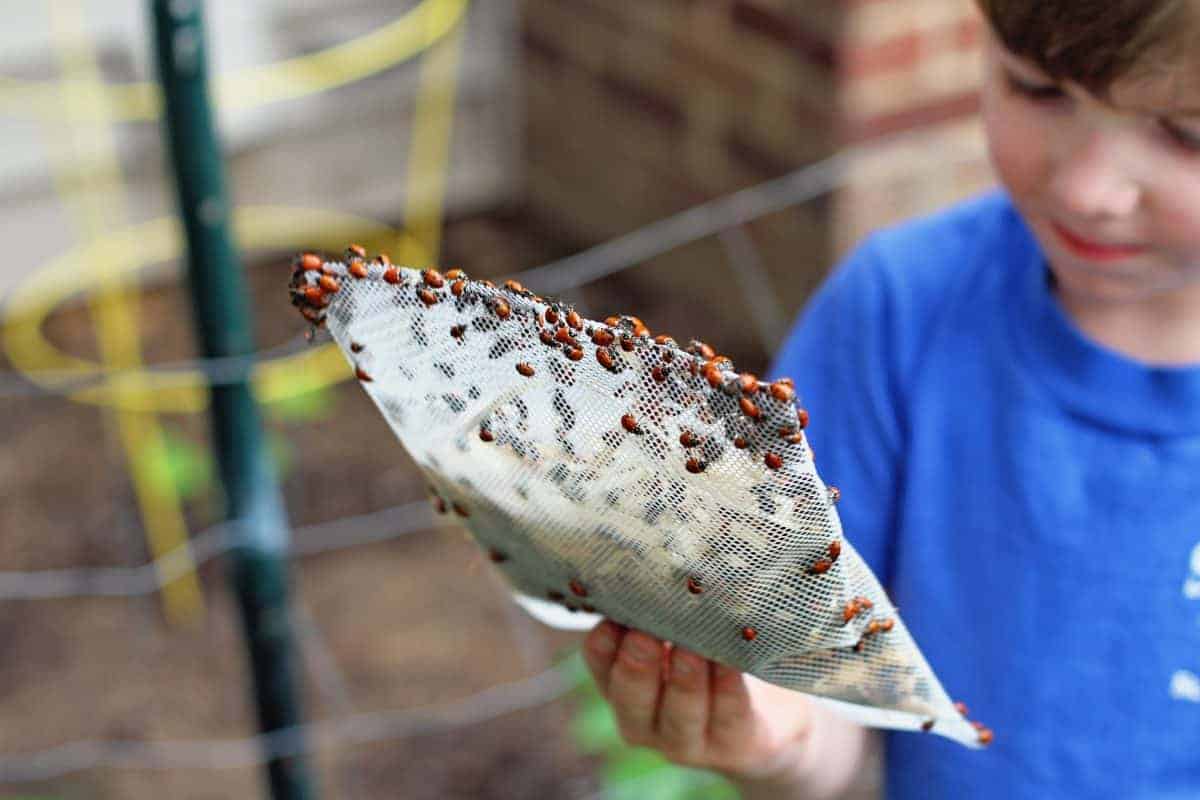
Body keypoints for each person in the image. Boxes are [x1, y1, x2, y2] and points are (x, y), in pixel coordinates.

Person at [582, 0, 1200, 797]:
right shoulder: (898, 317)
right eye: (1036, 88)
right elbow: (833, 709)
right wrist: (783, 737)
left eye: (1187, 135)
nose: (1086, 187)